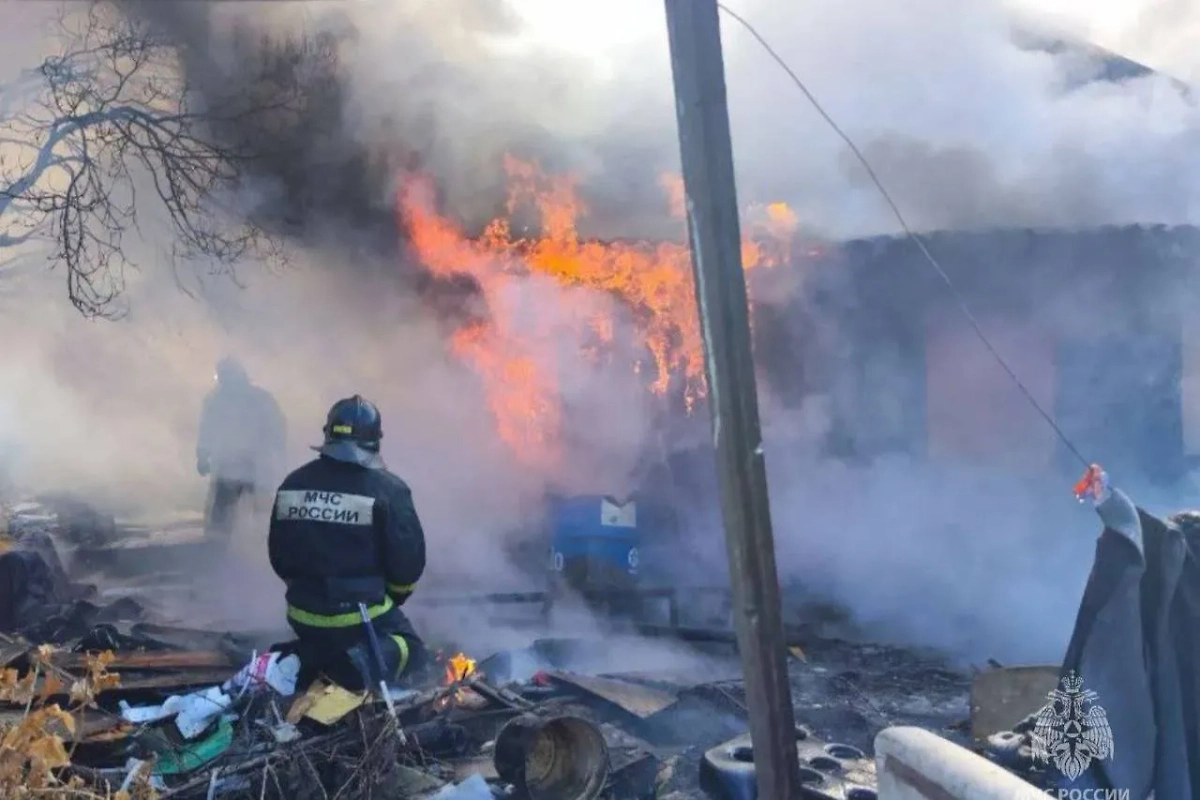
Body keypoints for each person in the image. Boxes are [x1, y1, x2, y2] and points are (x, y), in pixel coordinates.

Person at [267, 395, 428, 690]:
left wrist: (308, 590)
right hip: (360, 618)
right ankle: (356, 666)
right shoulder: (390, 490)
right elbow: (407, 569)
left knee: (324, 640)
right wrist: (385, 596)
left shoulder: (292, 483)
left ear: (328, 435)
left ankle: (305, 658)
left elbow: (278, 557)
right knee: (413, 650)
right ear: (374, 441)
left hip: (302, 615)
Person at [197, 357, 287, 543]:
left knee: (257, 514)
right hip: (234, 468)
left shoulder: (256, 399)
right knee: (225, 516)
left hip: (252, 468)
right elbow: (207, 430)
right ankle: (220, 548)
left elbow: (277, 429)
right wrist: (203, 456)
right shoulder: (218, 400)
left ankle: (253, 545)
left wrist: (203, 457)